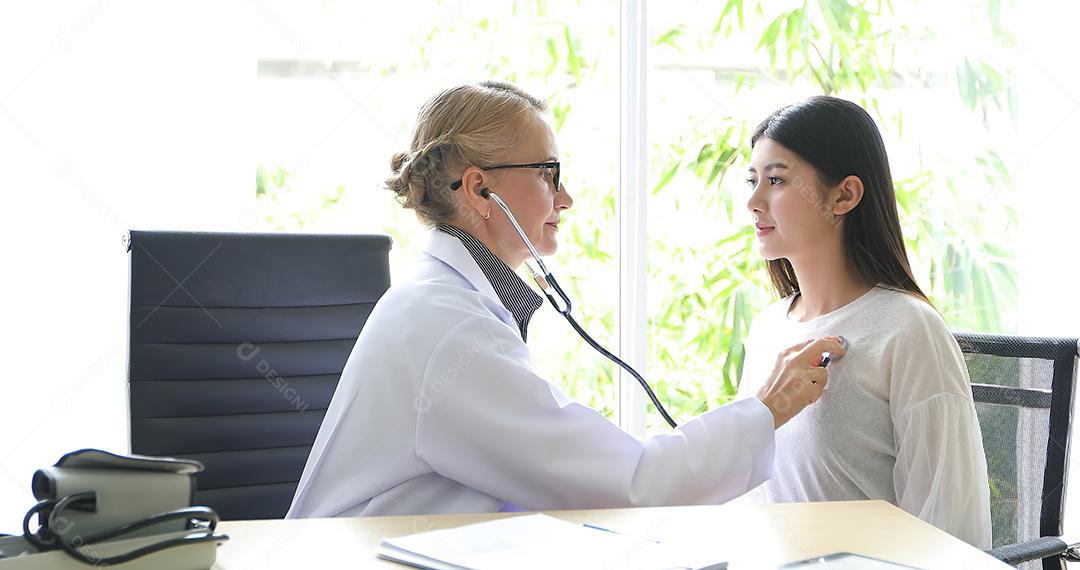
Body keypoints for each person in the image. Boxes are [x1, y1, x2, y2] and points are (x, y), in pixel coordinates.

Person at [286, 81, 844, 518]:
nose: (567, 198)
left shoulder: (452, 305)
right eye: (549, 175)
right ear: (481, 189)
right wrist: (768, 408)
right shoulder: (447, 328)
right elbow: (633, 484)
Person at [735, 96, 991, 548]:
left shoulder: (909, 331)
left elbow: (948, 529)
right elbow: (746, 496)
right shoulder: (768, 328)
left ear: (844, 195)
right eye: (752, 180)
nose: (754, 201)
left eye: (776, 180)